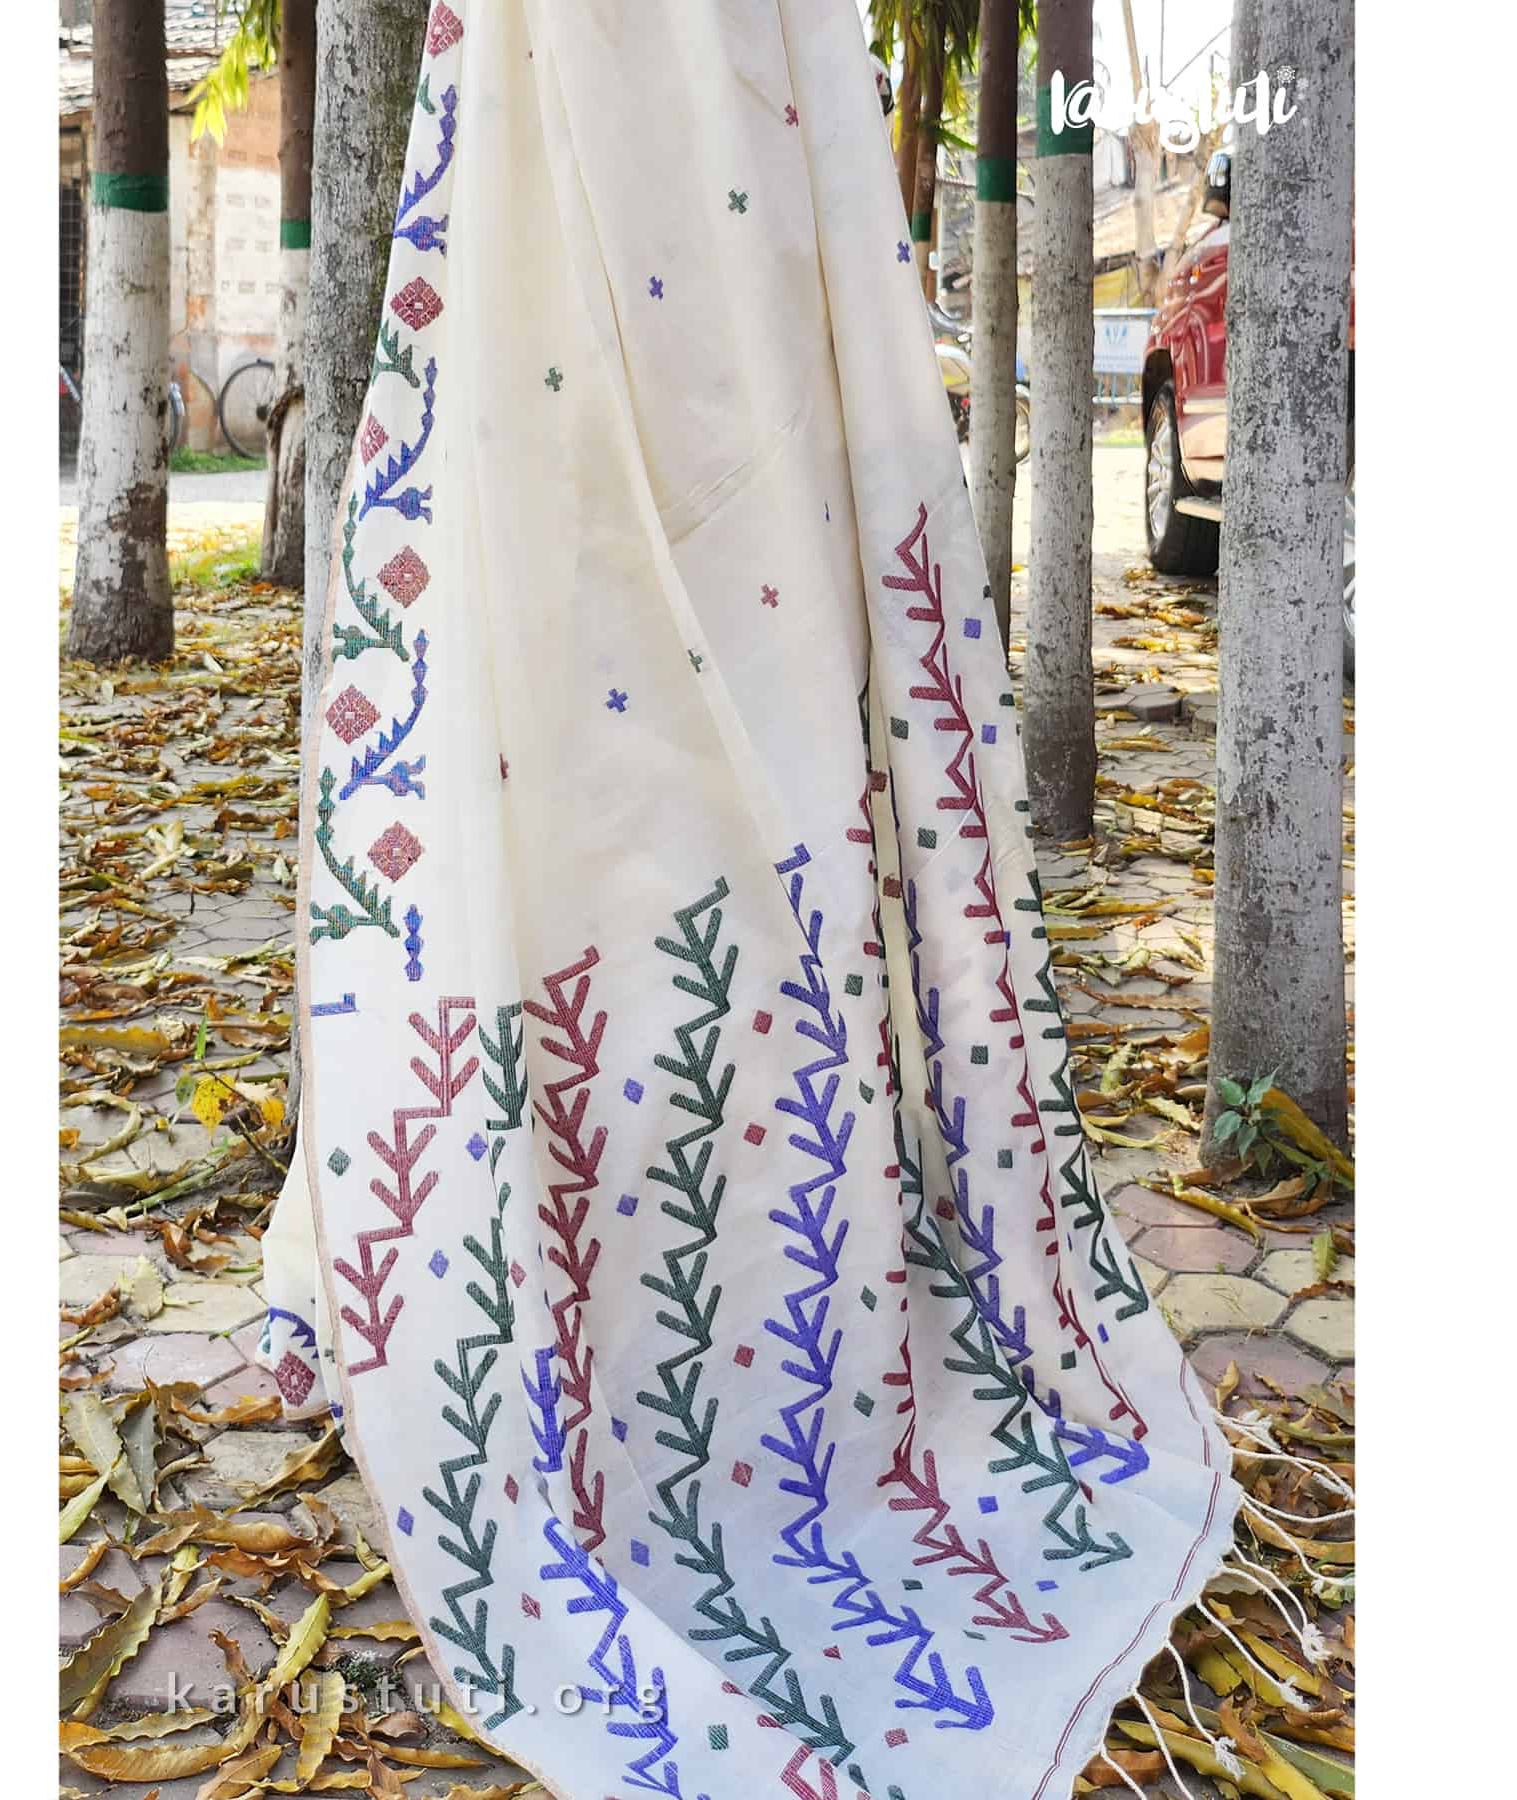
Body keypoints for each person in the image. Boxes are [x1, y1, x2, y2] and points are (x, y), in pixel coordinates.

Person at [261, 4, 1234, 1793]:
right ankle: (570, 1290)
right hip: (571, 176)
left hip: (746, 189)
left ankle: (744, 1338)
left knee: (746, 681)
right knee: (573, 719)